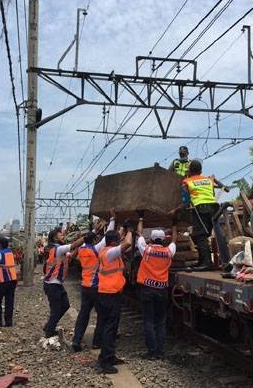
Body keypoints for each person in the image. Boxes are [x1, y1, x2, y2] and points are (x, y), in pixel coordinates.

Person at [71, 210, 116, 352]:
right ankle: (97, 342)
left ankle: (76, 340)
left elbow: (89, 240)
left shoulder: (82, 250)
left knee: (83, 314)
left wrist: (93, 231)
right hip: (96, 287)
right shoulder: (96, 249)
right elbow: (106, 238)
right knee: (102, 315)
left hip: (85, 287)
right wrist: (113, 219)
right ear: (94, 241)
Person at [170, 159, 227, 269]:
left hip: (201, 208)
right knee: (204, 235)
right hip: (215, 208)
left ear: (189, 170)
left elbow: (186, 202)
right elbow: (213, 193)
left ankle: (206, 263)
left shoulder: (187, 182)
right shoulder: (208, 180)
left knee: (200, 235)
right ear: (201, 171)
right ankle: (202, 261)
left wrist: (175, 211)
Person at [136, 214, 177, 359]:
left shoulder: (146, 250)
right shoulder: (168, 252)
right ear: (163, 239)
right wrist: (174, 224)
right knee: (160, 321)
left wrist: (141, 218)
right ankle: (160, 351)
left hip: (147, 290)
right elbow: (174, 241)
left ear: (152, 239)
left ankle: (151, 351)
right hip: (162, 291)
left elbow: (139, 233)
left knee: (148, 320)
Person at [96, 229, 133, 374]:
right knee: (109, 329)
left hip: (110, 294)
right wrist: (130, 230)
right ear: (114, 242)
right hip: (109, 295)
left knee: (111, 327)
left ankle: (109, 356)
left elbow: (122, 240)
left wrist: (122, 230)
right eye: (118, 239)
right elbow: (128, 242)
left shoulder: (107, 251)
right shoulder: (110, 253)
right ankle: (105, 362)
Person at [43, 228, 85, 338]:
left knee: (65, 305)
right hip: (52, 284)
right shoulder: (58, 249)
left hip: (56, 283)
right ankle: (49, 332)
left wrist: (79, 246)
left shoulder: (59, 250)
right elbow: (72, 245)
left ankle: (48, 326)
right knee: (56, 310)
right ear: (55, 238)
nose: (63, 236)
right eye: (61, 235)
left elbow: (71, 255)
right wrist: (85, 237)